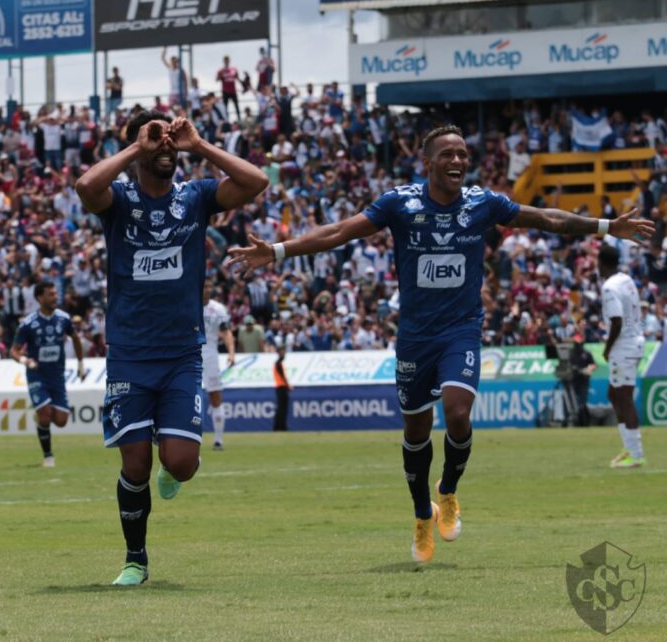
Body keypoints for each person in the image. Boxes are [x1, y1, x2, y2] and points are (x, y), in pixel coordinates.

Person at [227, 124, 653, 564]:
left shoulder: (482, 203)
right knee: (414, 431)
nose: (457, 160)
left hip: (461, 330)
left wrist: (605, 226)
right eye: (447, 154)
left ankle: (447, 491)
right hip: (415, 337)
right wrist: (277, 251)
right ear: (427, 163)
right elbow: (340, 232)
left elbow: (545, 217)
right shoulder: (400, 203)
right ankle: (420, 515)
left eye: (463, 154)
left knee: (457, 413)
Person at [75, 110, 268, 585]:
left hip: (182, 353)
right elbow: (85, 187)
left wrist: (198, 145)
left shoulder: (196, 197)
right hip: (130, 353)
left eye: (169, 138)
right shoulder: (118, 200)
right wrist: (136, 147)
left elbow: (256, 181)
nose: (165, 145)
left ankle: (174, 472)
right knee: (134, 464)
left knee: (179, 462)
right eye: (155, 139)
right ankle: (135, 559)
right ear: (138, 148)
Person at [11, 281, 86, 468]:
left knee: (61, 420)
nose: (55, 297)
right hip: (37, 375)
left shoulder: (63, 318)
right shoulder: (28, 324)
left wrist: (80, 363)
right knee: (45, 416)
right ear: (40, 297)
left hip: (57, 375)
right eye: (51, 294)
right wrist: (25, 361)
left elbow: (75, 338)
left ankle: (41, 416)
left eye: (55, 293)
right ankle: (48, 456)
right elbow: (13, 350)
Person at [598, 245, 648, 468]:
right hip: (635, 340)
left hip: (624, 346)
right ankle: (629, 448)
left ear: (601, 263)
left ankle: (635, 454)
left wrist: (608, 349)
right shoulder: (626, 279)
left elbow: (617, 320)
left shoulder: (609, 287)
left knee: (624, 398)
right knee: (614, 394)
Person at [202, 278, 235, 450]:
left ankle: (218, 440)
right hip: (188, 354)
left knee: (215, 396)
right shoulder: (187, 304)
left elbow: (227, 332)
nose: (207, 289)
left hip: (210, 356)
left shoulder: (218, 309)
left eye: (209, 286)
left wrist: (231, 352)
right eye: (204, 286)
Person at [567, 334, 596, 427]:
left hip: (584, 380)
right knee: (573, 401)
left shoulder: (587, 353)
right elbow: (569, 366)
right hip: (574, 380)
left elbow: (593, 364)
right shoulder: (571, 353)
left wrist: (589, 369)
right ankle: (575, 420)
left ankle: (584, 421)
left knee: (582, 402)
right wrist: (576, 370)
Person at [272, 343, 290, 432]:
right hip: (281, 387)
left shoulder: (279, 363)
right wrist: (288, 386)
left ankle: (280, 426)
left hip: (280, 387)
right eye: (282, 351)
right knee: (282, 408)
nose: (284, 353)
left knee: (281, 408)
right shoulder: (278, 363)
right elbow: (283, 377)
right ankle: (280, 427)